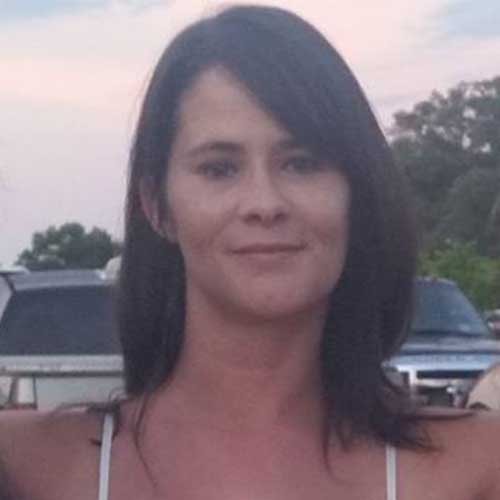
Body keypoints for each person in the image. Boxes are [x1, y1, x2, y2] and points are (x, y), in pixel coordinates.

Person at [1, 5, 500, 500]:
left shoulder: (475, 468)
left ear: (356, 193)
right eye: (219, 169)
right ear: (157, 206)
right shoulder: (34, 468)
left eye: (302, 163)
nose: (265, 203)